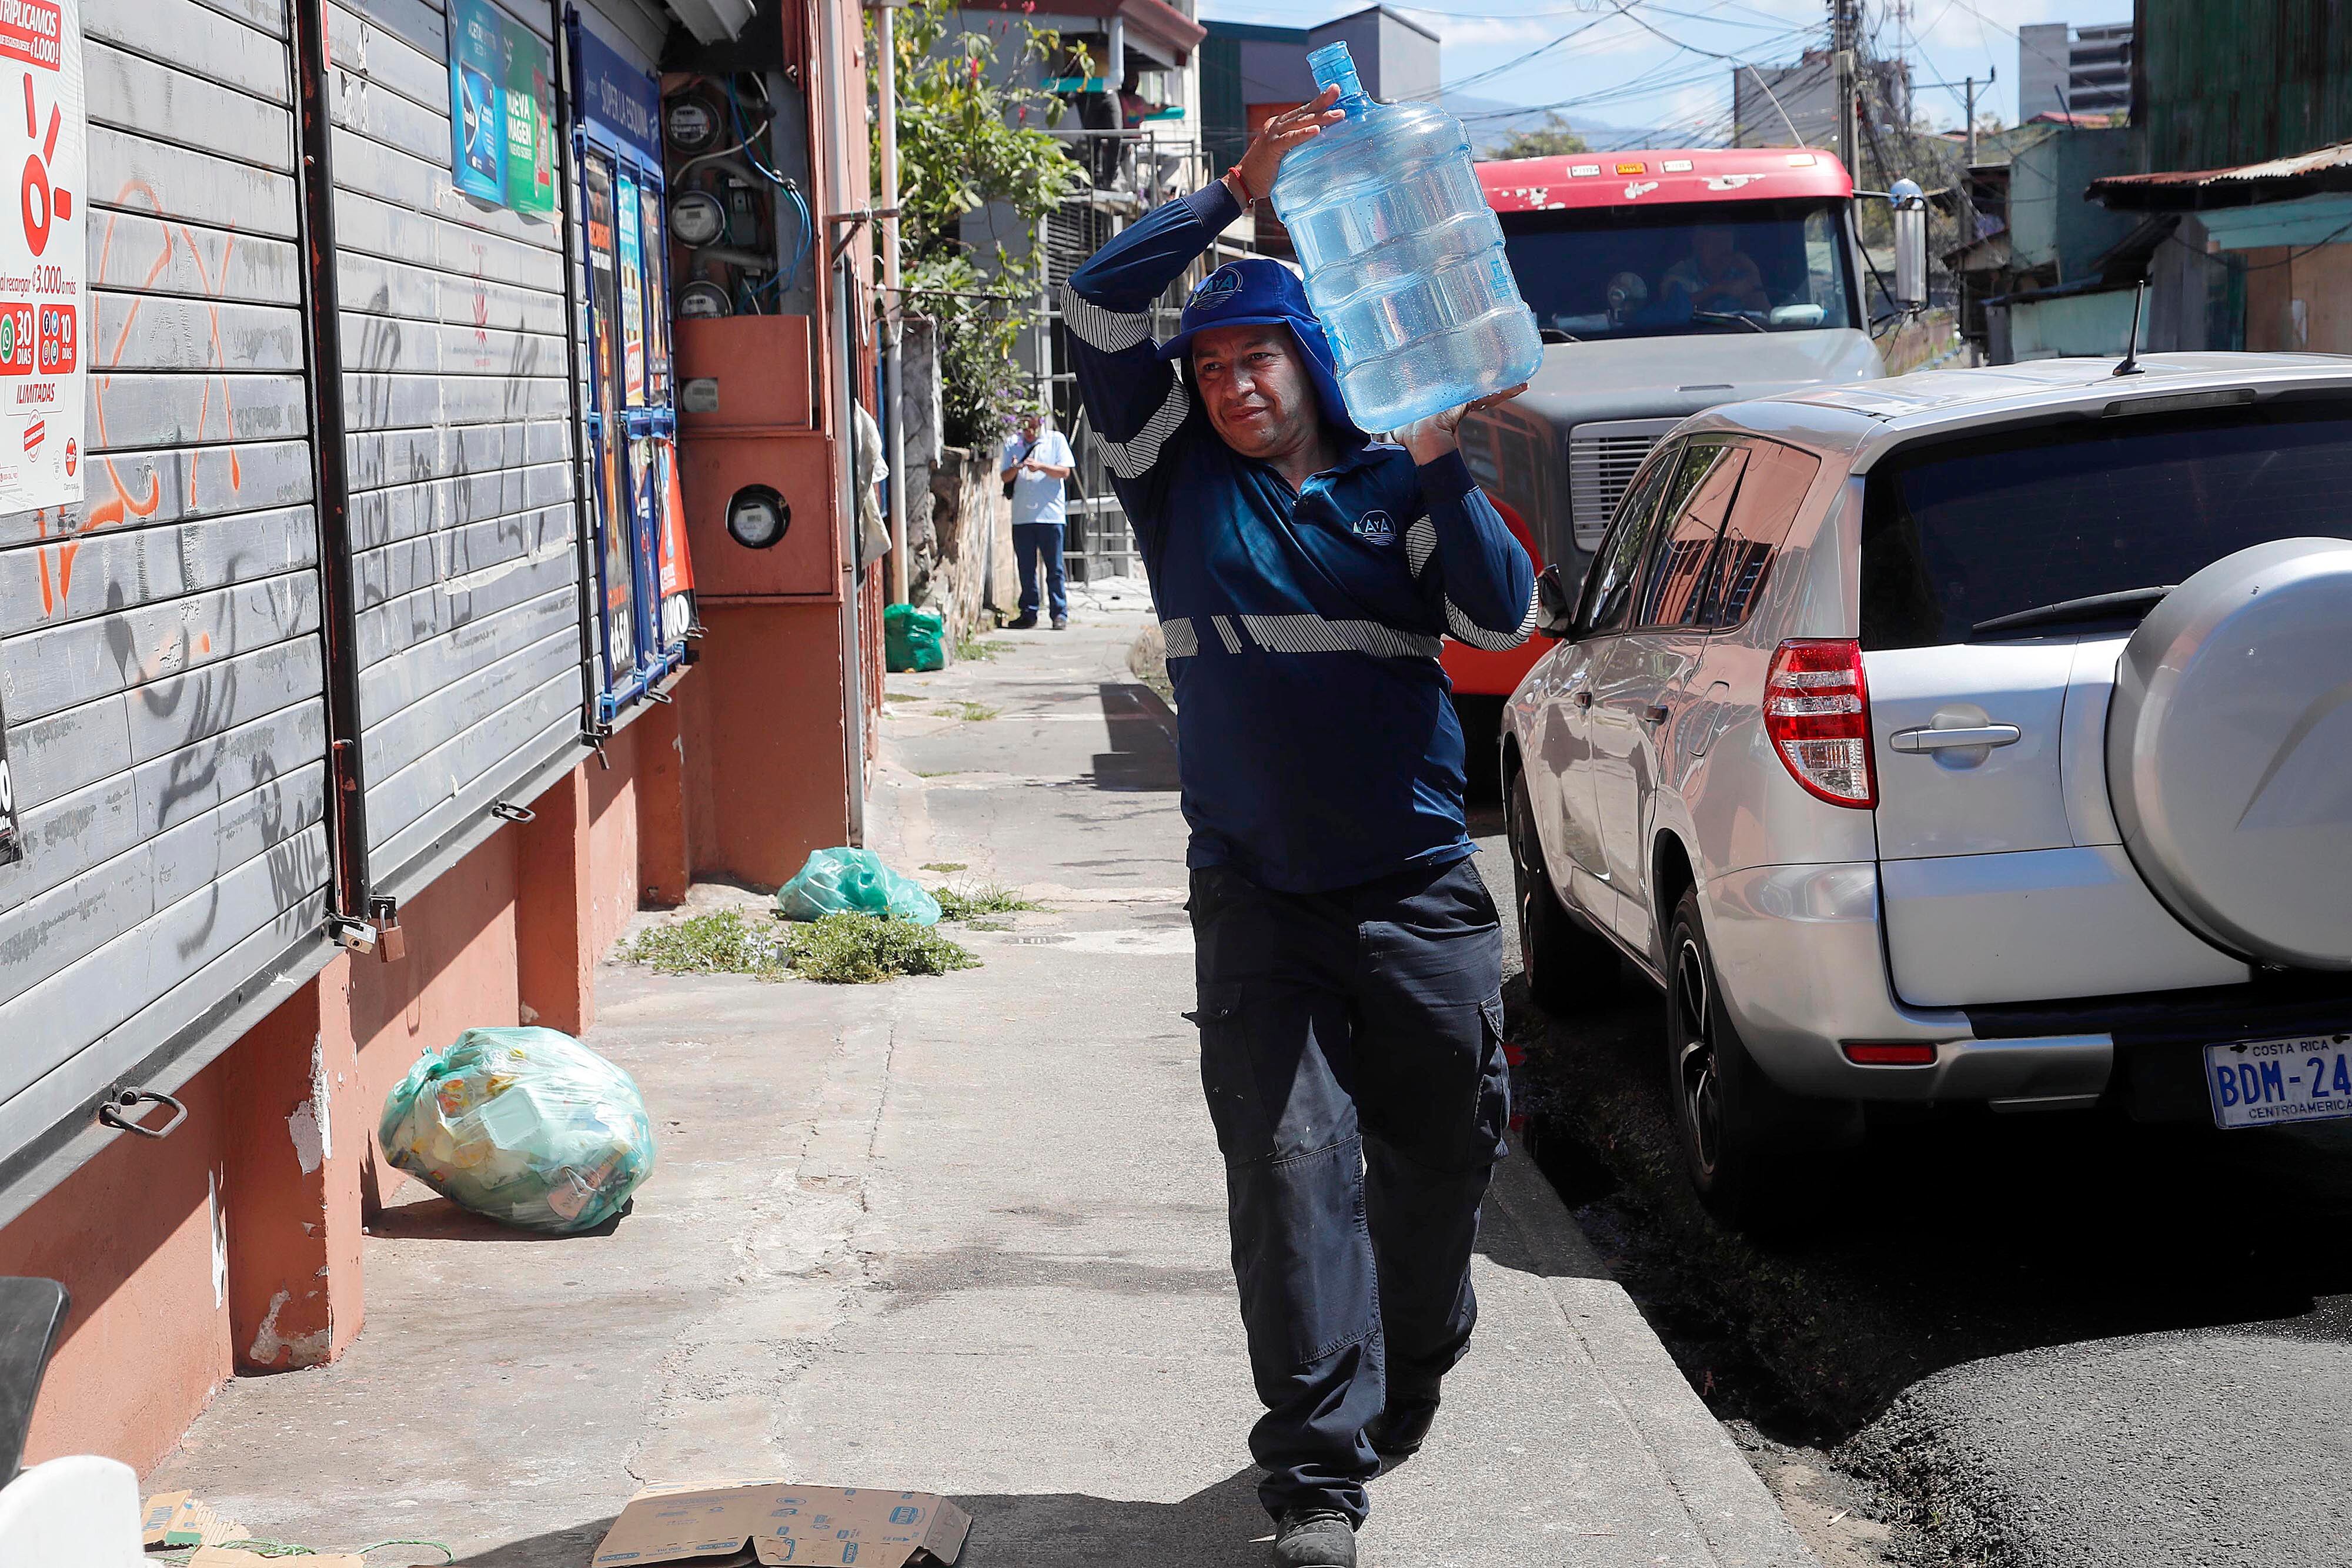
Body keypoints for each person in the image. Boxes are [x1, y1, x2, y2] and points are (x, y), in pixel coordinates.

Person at [1061, 86, 1536, 1568]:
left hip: (1413, 895)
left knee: (1434, 1161)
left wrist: (1448, 462)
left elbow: (1496, 613)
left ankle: (1418, 1345)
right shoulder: (1171, 485)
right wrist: (1224, 194)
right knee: (1284, 1173)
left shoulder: (1396, 479)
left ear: (1313, 360)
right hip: (1257, 895)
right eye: (1206, 367)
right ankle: (1316, 1477)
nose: (1227, 386)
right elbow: (1090, 300)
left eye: (1253, 355)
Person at [998, 412, 1075, 630]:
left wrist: (1040, 466)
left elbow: (1065, 472)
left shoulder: (1055, 440)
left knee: (1055, 568)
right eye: (1025, 427)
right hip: (1022, 517)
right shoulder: (1012, 443)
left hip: (1051, 516)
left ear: (1040, 425)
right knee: (1026, 567)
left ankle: (1059, 614)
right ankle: (1028, 613)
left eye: (1033, 427)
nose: (1029, 432)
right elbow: (1004, 477)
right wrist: (1016, 467)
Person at [1661, 223, 1770, 316]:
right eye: (1716, 245)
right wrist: (1720, 289)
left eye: (1727, 246)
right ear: (1698, 245)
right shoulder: (1678, 275)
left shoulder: (1740, 272)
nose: (1722, 253)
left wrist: (1754, 274)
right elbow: (1676, 311)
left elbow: (1766, 316)